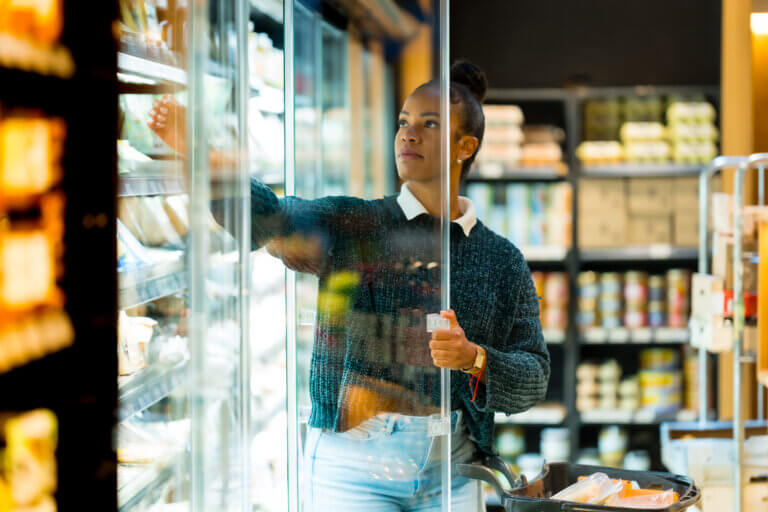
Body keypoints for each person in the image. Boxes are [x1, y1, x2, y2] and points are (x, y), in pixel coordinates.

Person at [148, 60, 550, 512]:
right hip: (351, 472)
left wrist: (473, 358)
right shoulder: (354, 222)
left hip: (452, 472)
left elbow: (533, 375)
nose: (407, 134)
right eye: (403, 122)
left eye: (429, 124)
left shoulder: (501, 259)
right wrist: (202, 154)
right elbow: (269, 221)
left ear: (465, 145)